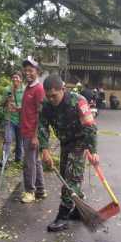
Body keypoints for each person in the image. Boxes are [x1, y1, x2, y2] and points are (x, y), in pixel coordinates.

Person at [39, 74, 99, 232]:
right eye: (48, 95)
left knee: (71, 179)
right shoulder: (46, 105)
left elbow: (90, 126)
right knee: (68, 177)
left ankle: (63, 216)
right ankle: (79, 210)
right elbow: (42, 126)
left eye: (54, 95)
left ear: (63, 90)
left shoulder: (78, 101)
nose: (51, 99)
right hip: (65, 143)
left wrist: (93, 151)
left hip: (80, 143)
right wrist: (44, 149)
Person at [19, 57, 46, 203]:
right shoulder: (28, 88)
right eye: (26, 70)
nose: (27, 73)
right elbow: (29, 109)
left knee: (29, 163)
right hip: (26, 130)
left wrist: (36, 136)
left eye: (31, 70)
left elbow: (40, 114)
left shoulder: (39, 89)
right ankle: (41, 190)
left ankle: (30, 191)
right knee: (35, 162)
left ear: (38, 72)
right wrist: (18, 108)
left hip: (31, 133)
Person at [3, 72, 24, 162]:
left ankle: (18, 160)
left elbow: (27, 106)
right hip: (9, 118)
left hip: (21, 119)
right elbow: (2, 103)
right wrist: (7, 101)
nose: (15, 79)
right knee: (8, 140)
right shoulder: (7, 89)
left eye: (17, 77)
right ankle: (4, 160)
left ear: (21, 80)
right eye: (13, 77)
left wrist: (18, 107)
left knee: (20, 142)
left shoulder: (25, 90)